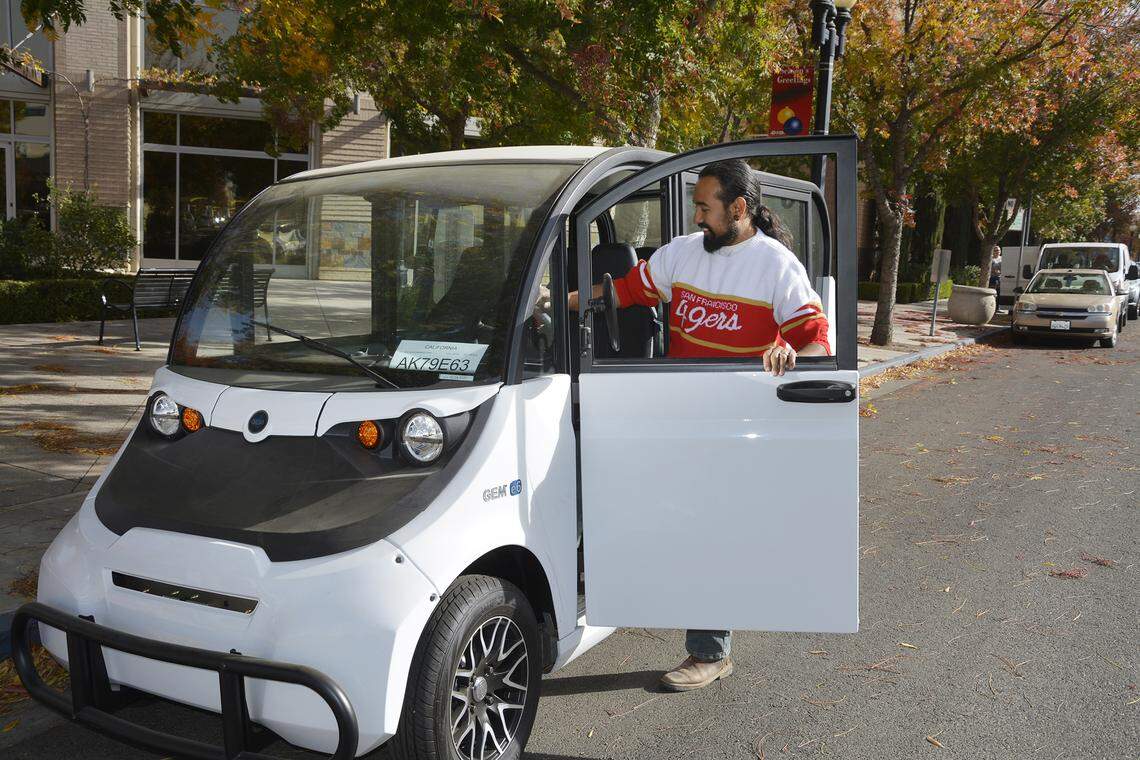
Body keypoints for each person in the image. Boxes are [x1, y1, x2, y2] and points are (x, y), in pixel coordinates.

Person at [569, 159, 830, 691]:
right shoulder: (683, 253)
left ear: (739, 208)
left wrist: (788, 351)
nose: (696, 215)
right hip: (681, 412)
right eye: (695, 205)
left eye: (704, 206)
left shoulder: (776, 267)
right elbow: (623, 291)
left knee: (710, 528)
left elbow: (818, 339)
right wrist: (555, 303)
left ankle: (710, 652)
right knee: (671, 517)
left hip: (738, 423)